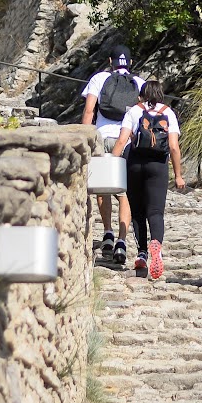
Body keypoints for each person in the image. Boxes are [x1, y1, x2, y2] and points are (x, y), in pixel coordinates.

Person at [112, 80, 186, 280]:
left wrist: (109, 164)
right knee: (155, 211)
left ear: (142, 95)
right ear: (161, 94)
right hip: (158, 166)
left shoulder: (134, 112)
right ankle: (157, 247)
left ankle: (142, 253)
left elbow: (122, 140)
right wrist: (178, 175)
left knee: (137, 211)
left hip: (135, 164)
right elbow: (173, 146)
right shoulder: (168, 113)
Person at [81, 47, 146, 265]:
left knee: (102, 187)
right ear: (130, 61)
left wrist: (83, 136)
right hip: (125, 141)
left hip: (101, 137)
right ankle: (121, 240)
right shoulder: (138, 82)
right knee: (124, 191)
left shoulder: (100, 78)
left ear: (110, 61)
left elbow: (90, 110)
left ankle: (107, 232)